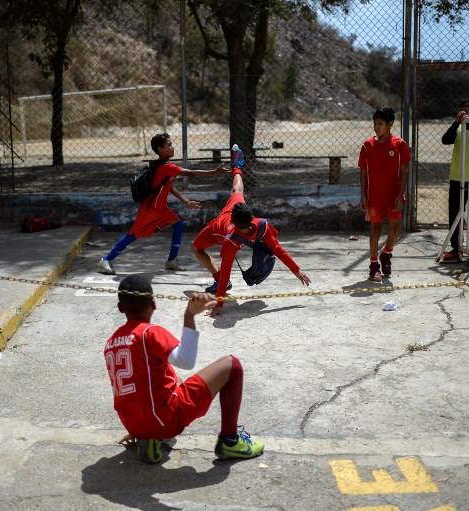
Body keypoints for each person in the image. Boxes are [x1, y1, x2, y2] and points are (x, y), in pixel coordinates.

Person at [104, 274, 265, 463]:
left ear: (120, 308)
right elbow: (186, 360)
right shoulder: (149, 332)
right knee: (233, 365)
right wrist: (189, 315)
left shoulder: (110, 343)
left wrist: (139, 428)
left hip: (135, 424)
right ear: (153, 304)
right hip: (166, 420)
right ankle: (230, 441)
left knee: (171, 376)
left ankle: (150, 437)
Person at [191, 150, 311, 317]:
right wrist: (297, 271)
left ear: (234, 222)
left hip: (216, 229)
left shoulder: (230, 241)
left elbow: (226, 271)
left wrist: (220, 304)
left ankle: (237, 166)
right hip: (227, 221)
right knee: (237, 190)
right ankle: (238, 166)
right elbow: (278, 249)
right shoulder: (261, 225)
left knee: (196, 248)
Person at [97, 133, 227, 275]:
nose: (172, 147)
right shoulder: (165, 167)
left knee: (178, 225)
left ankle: (171, 260)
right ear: (160, 149)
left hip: (161, 209)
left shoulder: (161, 166)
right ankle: (106, 260)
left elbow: (168, 186)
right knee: (133, 235)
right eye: (169, 145)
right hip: (149, 210)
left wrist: (186, 202)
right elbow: (190, 173)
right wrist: (215, 171)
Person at [358, 106, 411, 282]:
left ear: (390, 124)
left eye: (380, 123)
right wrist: (363, 196)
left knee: (396, 229)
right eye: (375, 123)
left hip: (393, 196)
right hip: (374, 197)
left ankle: (386, 253)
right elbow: (363, 172)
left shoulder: (399, 145)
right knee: (375, 229)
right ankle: (374, 266)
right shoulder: (367, 145)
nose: (376, 127)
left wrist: (400, 194)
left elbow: (404, 171)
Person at [440, 100, 469, 262]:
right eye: (461, 111)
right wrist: (456, 123)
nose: (463, 114)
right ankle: (456, 246)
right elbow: (445, 140)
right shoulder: (458, 128)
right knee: (455, 212)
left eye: (466, 111)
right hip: (457, 177)